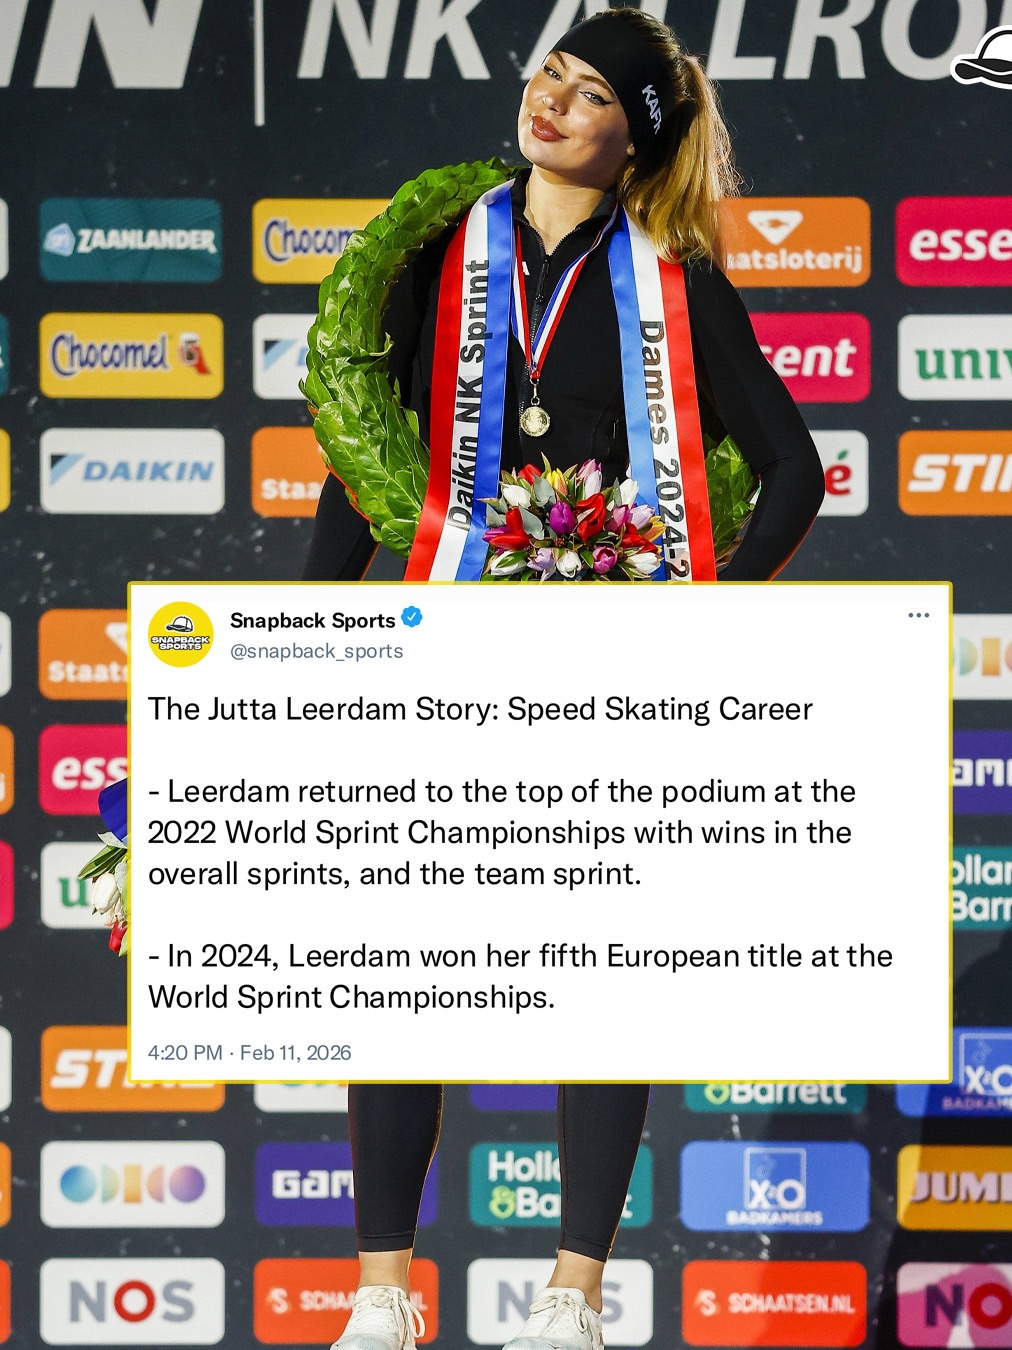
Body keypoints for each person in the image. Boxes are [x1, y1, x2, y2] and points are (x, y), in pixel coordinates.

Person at [303, 11, 824, 1349]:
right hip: (440, 662)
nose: (553, 101)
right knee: (398, 975)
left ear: (630, 139)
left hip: (598, 681)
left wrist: (695, 617)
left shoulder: (676, 285)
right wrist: (299, 645)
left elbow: (794, 470)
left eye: (591, 94)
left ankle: (570, 1299)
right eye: (551, 73)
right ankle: (381, 1296)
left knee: (596, 977)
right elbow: (369, 469)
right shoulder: (442, 254)